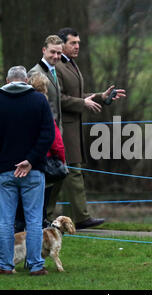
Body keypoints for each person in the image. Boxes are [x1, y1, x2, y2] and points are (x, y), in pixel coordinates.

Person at [0, 65, 55, 275]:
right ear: (26, 81)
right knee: (33, 220)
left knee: (5, 220)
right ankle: (35, 265)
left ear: (7, 80)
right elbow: (47, 135)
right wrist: (31, 160)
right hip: (33, 171)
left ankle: (5, 265)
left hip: (4, 170)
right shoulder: (39, 101)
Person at [54, 27, 126, 229]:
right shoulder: (57, 67)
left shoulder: (71, 65)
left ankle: (60, 219)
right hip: (62, 129)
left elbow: (78, 95)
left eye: (78, 43)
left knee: (63, 175)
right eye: (73, 43)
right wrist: (82, 103)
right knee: (70, 173)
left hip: (73, 128)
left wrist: (101, 97)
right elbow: (57, 98)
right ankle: (80, 218)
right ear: (61, 45)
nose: (77, 46)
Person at [14, 71, 67, 233]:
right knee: (39, 208)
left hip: (17, 163)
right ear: (45, 89)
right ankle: (37, 245)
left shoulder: (17, 106)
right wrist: (62, 160)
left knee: (19, 208)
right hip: (41, 164)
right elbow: (55, 140)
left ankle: (17, 238)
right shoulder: (43, 107)